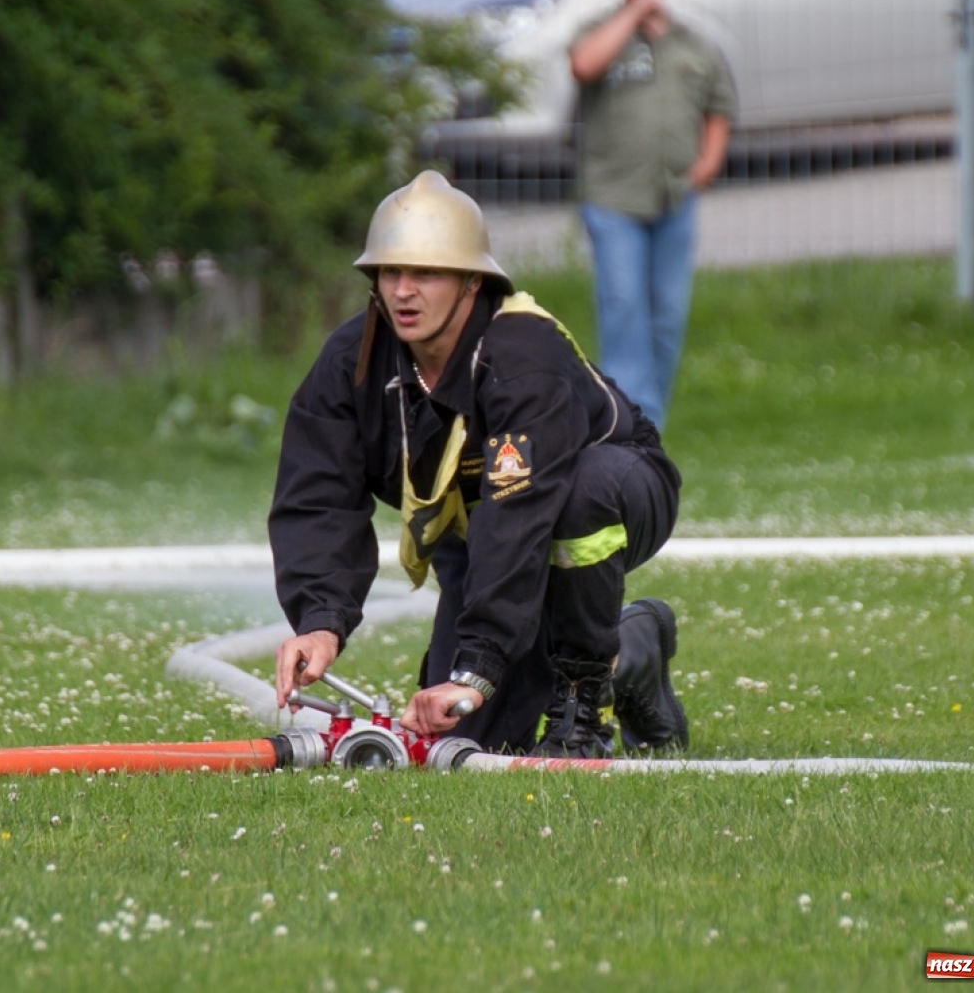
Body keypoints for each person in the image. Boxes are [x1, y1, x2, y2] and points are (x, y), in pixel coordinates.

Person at [269, 170, 688, 758]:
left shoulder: (521, 353)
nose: (404, 291)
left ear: (472, 282)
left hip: (609, 489)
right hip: (479, 531)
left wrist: (479, 665)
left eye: (427, 273)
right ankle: (633, 648)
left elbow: (522, 512)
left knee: (579, 498)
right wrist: (320, 619)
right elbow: (319, 495)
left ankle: (583, 706)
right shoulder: (352, 361)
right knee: (463, 742)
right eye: (390, 272)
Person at [568, 0, 734, 432]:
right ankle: (625, 424)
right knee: (623, 308)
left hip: (674, 199)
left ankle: (648, 425)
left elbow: (719, 104)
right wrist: (634, 13)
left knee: (666, 316)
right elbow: (584, 64)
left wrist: (708, 161)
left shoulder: (692, 42)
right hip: (613, 197)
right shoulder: (600, 30)